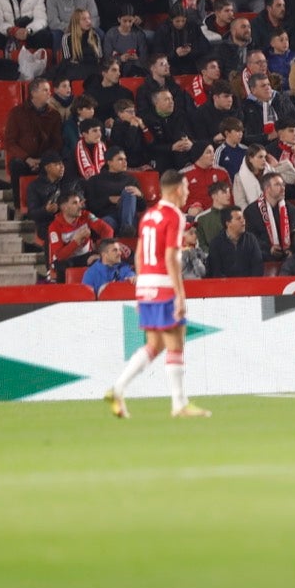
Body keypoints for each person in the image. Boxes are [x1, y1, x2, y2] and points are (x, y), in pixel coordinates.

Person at [107, 171, 210, 418]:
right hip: (164, 284)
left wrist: (141, 289)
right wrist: (180, 294)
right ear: (176, 190)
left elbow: (139, 255)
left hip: (146, 285)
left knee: (154, 344)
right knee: (176, 343)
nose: (187, 193)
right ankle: (179, 404)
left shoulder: (149, 215)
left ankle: (118, 388)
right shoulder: (174, 215)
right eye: (185, 188)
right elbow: (170, 258)